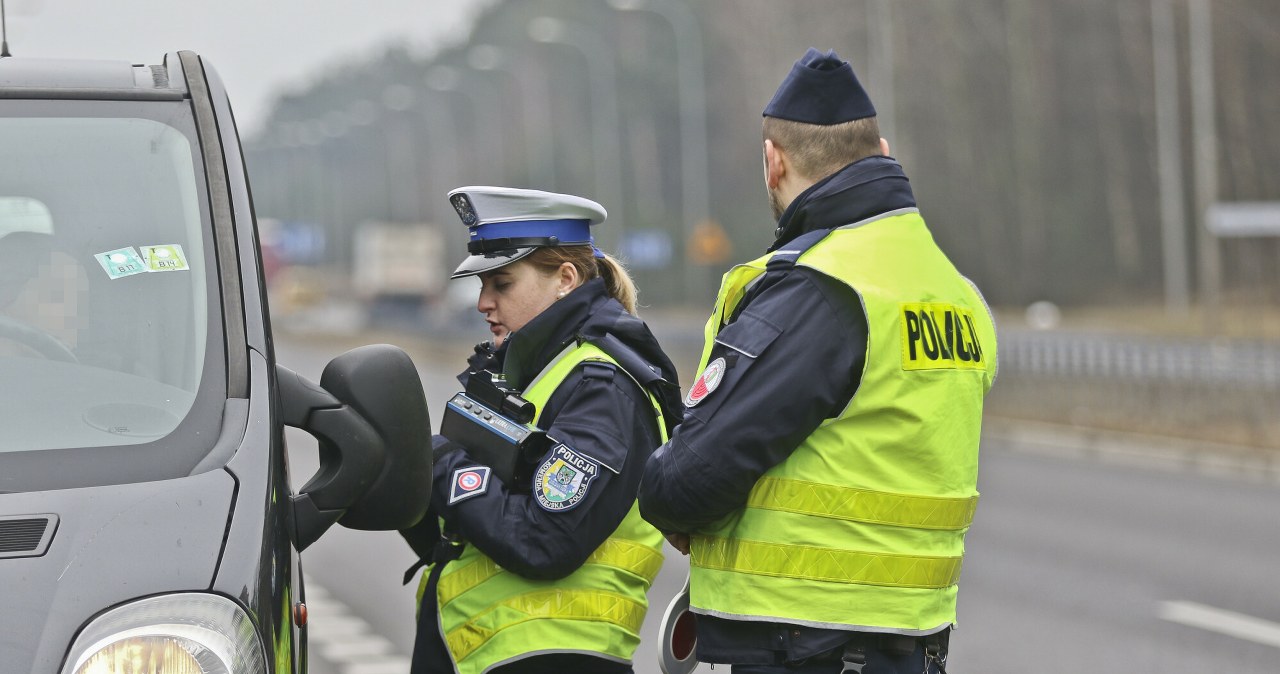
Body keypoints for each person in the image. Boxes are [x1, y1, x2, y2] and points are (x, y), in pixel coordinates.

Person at [637, 48, 998, 674]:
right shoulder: (958, 293)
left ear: (774, 160)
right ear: (882, 151)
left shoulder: (823, 289)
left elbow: (687, 481)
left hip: (808, 643)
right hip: (912, 641)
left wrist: (667, 494)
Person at [403, 186, 684, 674]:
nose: (483, 302)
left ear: (565, 279)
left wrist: (444, 464)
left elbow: (542, 540)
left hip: (554, 658)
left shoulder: (604, 389)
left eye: (502, 284)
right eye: (481, 285)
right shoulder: (534, 373)